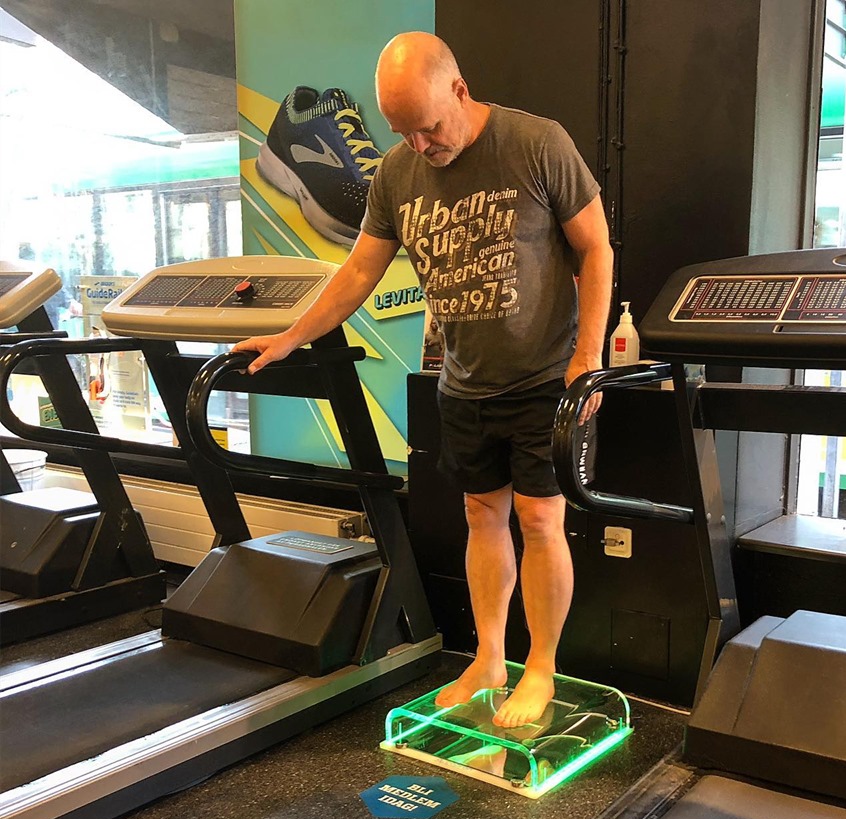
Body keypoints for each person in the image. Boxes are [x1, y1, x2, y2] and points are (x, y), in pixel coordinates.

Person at [233, 32, 613, 728]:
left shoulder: (538, 144)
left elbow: (596, 247)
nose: (420, 144)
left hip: (545, 379)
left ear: (459, 91)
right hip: (464, 384)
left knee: (539, 519)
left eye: (430, 127)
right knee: (481, 515)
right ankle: (490, 658)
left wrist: (589, 355)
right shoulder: (396, 174)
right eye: (403, 132)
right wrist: (293, 336)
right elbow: (359, 269)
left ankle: (540, 668)